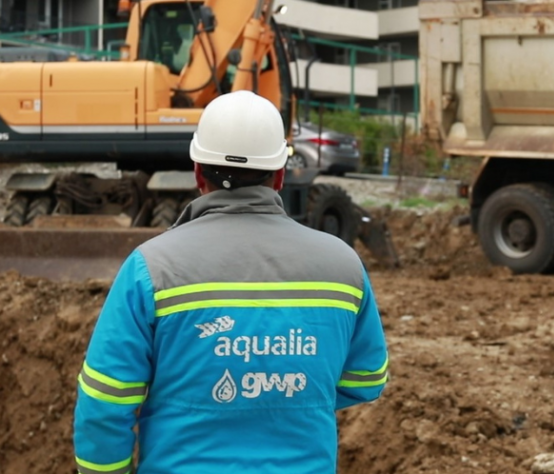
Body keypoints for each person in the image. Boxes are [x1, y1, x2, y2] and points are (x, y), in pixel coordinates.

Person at [73, 90, 389, 474]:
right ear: (279, 175)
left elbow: (105, 401)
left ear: (197, 171)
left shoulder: (151, 268)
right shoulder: (344, 266)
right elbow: (367, 377)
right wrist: (280, 391)